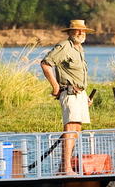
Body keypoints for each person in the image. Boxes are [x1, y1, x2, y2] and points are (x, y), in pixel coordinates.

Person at [40, 19, 94, 174]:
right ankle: (66, 168)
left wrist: (85, 97)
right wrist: (55, 86)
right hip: (69, 93)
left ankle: (64, 166)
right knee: (70, 128)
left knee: (76, 129)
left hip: (79, 94)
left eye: (83, 31)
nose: (80, 33)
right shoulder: (64, 46)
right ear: (70, 32)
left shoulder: (79, 49)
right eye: (77, 30)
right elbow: (45, 63)